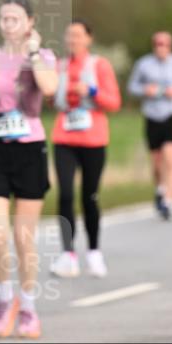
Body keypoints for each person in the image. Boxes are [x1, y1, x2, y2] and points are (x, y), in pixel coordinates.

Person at [0, 0, 58, 339]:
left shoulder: (45, 57)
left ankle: (29, 305)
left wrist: (33, 52)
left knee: (23, 236)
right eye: (4, 18)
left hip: (30, 147)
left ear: (30, 22)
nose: (8, 24)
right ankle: (5, 298)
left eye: (15, 19)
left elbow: (50, 90)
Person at [48, 20, 121, 278]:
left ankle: (94, 252)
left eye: (78, 36)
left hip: (94, 138)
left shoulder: (99, 65)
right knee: (65, 194)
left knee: (90, 196)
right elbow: (49, 97)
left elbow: (114, 102)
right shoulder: (58, 66)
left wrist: (90, 90)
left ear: (89, 39)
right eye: (69, 36)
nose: (73, 41)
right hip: (64, 137)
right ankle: (67, 254)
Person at [127, 31, 172, 219]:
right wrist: (144, 90)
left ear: (170, 45)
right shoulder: (143, 64)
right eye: (157, 44)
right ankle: (160, 188)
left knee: (170, 158)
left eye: (164, 44)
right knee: (157, 162)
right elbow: (131, 87)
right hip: (152, 114)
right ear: (153, 45)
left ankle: (168, 201)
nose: (161, 47)